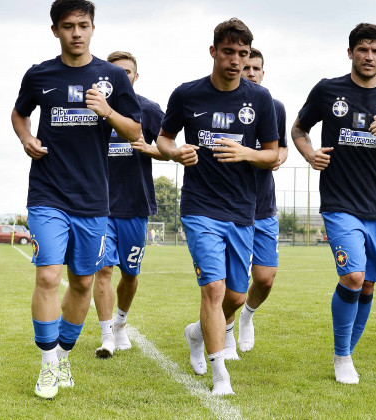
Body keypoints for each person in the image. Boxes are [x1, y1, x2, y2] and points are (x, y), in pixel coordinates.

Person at [11, 0, 141, 399]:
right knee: (49, 275)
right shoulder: (39, 75)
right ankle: (48, 363)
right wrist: (26, 138)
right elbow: (19, 113)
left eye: (83, 25)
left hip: (92, 199)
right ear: (56, 31)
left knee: (83, 283)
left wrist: (107, 111)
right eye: (68, 26)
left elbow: (135, 130)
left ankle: (64, 354)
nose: (76, 33)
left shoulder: (112, 77)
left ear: (93, 28)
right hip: (48, 192)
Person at [156, 18, 279, 395]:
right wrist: (176, 153)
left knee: (236, 296)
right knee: (213, 289)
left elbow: (274, 155)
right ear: (213, 51)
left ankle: (196, 334)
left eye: (243, 54)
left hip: (243, 211)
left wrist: (247, 152)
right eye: (229, 52)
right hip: (199, 207)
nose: (236, 61)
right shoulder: (187, 94)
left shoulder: (260, 100)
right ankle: (219, 375)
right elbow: (163, 139)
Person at [292, 23, 376, 384]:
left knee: (369, 285)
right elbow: (298, 129)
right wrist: (310, 154)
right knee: (353, 276)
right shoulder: (329, 90)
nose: (369, 56)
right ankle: (342, 356)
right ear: (350, 53)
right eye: (362, 49)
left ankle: (348, 351)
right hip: (338, 202)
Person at [92, 51, 166, 358]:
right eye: (117, 72)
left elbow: (168, 149)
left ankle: (121, 323)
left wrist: (148, 148)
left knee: (130, 274)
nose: (124, 76)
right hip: (99, 205)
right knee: (104, 270)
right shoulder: (92, 108)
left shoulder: (148, 110)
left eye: (128, 72)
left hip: (135, 204)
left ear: (136, 76)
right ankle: (107, 333)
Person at [222, 47, 288, 358]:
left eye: (256, 68)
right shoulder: (224, 104)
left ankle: (248, 315)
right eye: (246, 67)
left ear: (263, 72)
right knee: (230, 280)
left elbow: (282, 149)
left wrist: (276, 159)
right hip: (229, 207)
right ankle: (226, 331)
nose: (250, 73)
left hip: (263, 206)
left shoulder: (274, 107)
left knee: (264, 278)